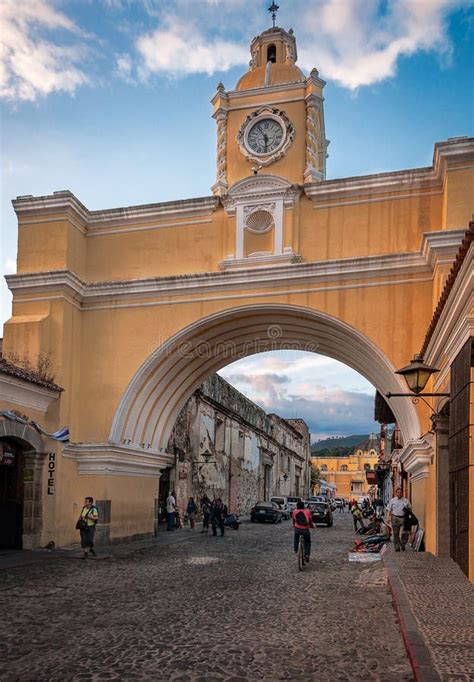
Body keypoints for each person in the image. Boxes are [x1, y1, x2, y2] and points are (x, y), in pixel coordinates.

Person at [386, 487, 411, 551]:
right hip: (395, 518)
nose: (399, 493)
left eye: (400, 492)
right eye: (398, 492)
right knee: (396, 533)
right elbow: (389, 509)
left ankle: (403, 544)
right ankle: (397, 547)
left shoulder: (406, 500)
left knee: (404, 532)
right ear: (396, 493)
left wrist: (407, 510)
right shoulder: (392, 500)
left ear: (402, 493)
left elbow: (410, 509)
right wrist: (388, 518)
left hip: (403, 518)